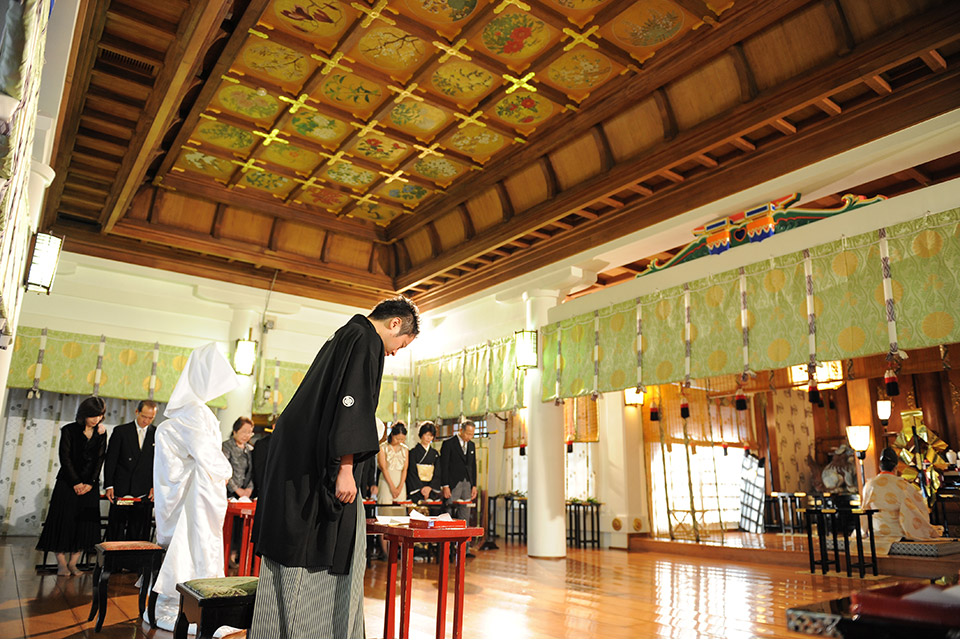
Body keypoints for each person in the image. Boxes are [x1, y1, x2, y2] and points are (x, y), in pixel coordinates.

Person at [251, 296, 419, 639]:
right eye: (402, 344)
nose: (396, 352)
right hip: (321, 470)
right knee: (320, 551)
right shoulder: (365, 339)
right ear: (395, 324)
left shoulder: (345, 333)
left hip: (295, 464)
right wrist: (346, 468)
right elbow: (351, 403)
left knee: (290, 551)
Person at [151, 343, 240, 631]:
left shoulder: (185, 409)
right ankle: (194, 609)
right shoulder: (195, 412)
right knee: (196, 549)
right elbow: (207, 453)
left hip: (183, 492)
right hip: (195, 497)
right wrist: (225, 471)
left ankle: (179, 606)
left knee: (193, 549)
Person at [36, 396, 107, 576]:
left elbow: (100, 460)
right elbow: (65, 458)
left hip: (90, 486)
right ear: (84, 414)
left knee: (84, 525)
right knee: (62, 522)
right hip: (68, 484)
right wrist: (76, 482)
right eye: (93, 415)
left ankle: (74, 563)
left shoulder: (101, 433)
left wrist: (90, 483)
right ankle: (61, 563)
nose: (96, 419)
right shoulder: (69, 430)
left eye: (100, 415)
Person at [862, 446, 944, 554]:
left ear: (879, 466)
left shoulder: (869, 484)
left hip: (876, 533)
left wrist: (862, 533)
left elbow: (864, 511)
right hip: (899, 533)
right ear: (895, 467)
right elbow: (919, 508)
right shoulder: (901, 484)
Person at [103, 400, 158, 541]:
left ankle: (136, 562)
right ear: (137, 412)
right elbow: (111, 460)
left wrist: (155, 487)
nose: (146, 421)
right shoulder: (121, 431)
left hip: (144, 491)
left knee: (139, 530)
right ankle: (113, 562)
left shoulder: (158, 434)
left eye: (150, 418)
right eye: (144, 416)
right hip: (122, 489)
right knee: (116, 528)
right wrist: (109, 485)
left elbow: (160, 465)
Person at [439, 420, 478, 556]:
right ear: (460, 430)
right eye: (467, 433)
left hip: (467, 483)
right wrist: (445, 486)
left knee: (465, 515)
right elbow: (443, 467)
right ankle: (447, 549)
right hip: (453, 484)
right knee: (448, 514)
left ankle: (464, 550)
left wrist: (474, 485)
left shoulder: (472, 446)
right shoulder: (449, 444)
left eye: (472, 434)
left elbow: (473, 467)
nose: (469, 436)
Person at [377, 423, 409, 558]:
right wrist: (391, 486)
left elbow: (405, 469)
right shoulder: (382, 447)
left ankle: (398, 551)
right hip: (386, 482)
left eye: (402, 439)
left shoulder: (405, 449)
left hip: (400, 484)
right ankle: (385, 552)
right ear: (392, 435)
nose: (400, 442)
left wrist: (400, 486)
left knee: (400, 519)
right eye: (398, 439)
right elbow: (384, 468)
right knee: (386, 518)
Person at [406, 421, 441, 503]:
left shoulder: (435, 453)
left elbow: (437, 472)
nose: (428, 438)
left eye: (431, 436)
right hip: (417, 488)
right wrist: (421, 488)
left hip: (431, 488)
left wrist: (430, 487)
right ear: (421, 435)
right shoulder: (413, 452)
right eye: (426, 435)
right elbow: (412, 471)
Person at [223, 417, 255, 499]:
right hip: (228, 492)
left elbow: (253, 471)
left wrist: (249, 489)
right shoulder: (226, 447)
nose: (247, 435)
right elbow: (224, 470)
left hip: (246, 494)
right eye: (244, 432)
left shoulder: (250, 449)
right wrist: (237, 489)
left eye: (249, 432)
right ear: (235, 431)